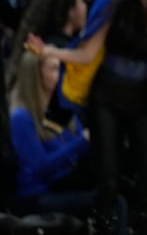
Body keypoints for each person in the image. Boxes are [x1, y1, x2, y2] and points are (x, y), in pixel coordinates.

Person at [26, 0, 147, 235]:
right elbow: (87, 53)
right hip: (107, 98)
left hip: (146, 100)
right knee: (108, 178)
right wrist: (50, 51)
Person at [9, 51, 93, 216]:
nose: (61, 75)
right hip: (35, 194)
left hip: (64, 185)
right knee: (109, 203)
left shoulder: (64, 112)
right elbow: (41, 168)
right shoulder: (21, 117)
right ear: (36, 75)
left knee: (116, 193)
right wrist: (82, 141)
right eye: (54, 69)